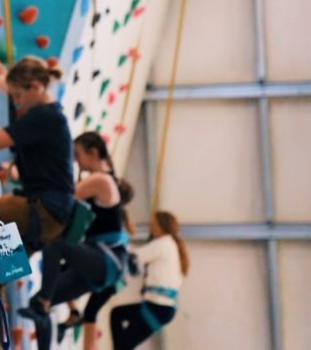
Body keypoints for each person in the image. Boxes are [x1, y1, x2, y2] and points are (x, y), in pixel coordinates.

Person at [0, 56, 75, 350]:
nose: (16, 102)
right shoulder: (47, 114)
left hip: (43, 212)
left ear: (34, 87)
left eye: (19, 96)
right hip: (49, 221)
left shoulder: (44, 115)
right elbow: (1, 75)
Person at [17, 132, 131, 341]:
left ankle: (42, 299)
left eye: (77, 154)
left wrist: (24, 176)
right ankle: (41, 304)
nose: (75, 160)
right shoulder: (104, 180)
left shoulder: (101, 180)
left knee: (54, 243)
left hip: (106, 261)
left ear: (93, 152)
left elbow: (64, 199)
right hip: (98, 264)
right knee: (37, 306)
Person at [56, 179, 136, 350]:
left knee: (91, 313)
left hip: (111, 274)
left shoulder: (112, 214)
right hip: (112, 275)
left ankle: (68, 311)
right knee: (64, 271)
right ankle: (73, 312)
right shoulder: (117, 216)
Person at [109, 210, 188, 350]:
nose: (151, 227)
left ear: (161, 225)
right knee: (117, 316)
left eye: (154, 224)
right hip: (160, 307)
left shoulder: (164, 243)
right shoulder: (171, 246)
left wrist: (120, 242)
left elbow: (135, 256)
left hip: (158, 307)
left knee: (123, 342)